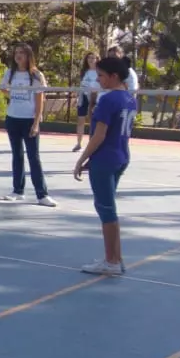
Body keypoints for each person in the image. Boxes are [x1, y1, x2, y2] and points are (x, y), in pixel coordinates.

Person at [74, 56, 137, 276]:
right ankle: (116, 258)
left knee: (106, 210)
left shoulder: (108, 100)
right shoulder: (129, 98)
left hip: (105, 159)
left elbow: (99, 135)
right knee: (109, 209)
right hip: (120, 156)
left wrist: (82, 159)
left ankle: (111, 261)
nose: (98, 80)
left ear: (114, 76)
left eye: (101, 75)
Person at [0, 43, 56, 207]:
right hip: (12, 118)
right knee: (17, 156)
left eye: (22, 53)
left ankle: (42, 194)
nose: (18, 55)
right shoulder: (10, 73)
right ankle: (18, 191)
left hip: (29, 120)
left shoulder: (36, 75)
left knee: (33, 157)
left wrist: (36, 122)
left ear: (28, 56)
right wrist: (12, 93)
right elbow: (3, 89)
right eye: (16, 52)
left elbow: (40, 100)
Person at [73, 53, 101, 152]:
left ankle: (92, 143)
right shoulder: (84, 71)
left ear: (97, 59)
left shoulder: (99, 72)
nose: (91, 60)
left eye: (93, 58)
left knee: (93, 121)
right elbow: (81, 85)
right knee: (80, 120)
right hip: (83, 97)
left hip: (94, 98)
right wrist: (77, 97)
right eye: (89, 57)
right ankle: (78, 143)